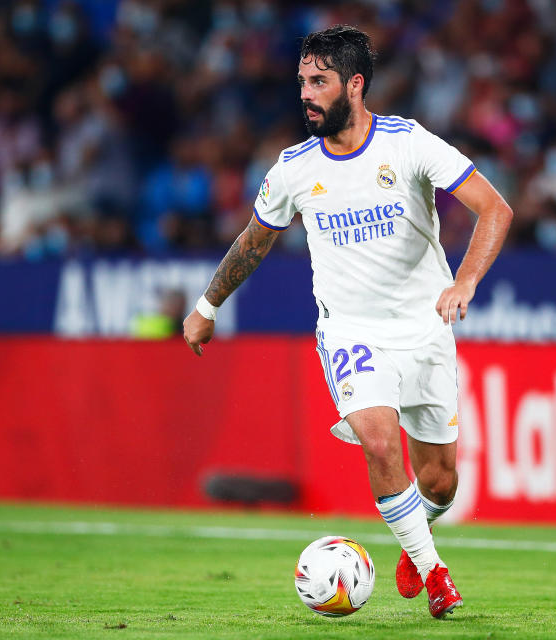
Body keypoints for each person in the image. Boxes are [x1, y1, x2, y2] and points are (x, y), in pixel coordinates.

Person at [182, 25, 513, 619]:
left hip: (425, 326)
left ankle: (416, 545)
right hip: (351, 331)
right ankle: (437, 574)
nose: (306, 94)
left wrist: (463, 282)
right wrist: (207, 307)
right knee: (380, 440)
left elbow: (495, 208)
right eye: (302, 82)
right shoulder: (292, 169)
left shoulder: (408, 144)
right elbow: (253, 242)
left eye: (319, 82)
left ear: (354, 85)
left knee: (440, 483)